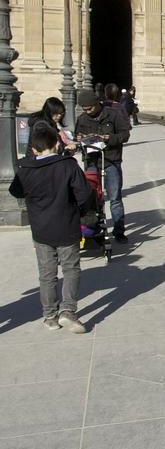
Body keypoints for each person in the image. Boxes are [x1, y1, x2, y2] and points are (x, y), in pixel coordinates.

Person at [8, 121, 93, 333]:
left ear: (34, 149)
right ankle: (68, 311)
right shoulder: (68, 165)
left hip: (41, 229)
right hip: (66, 225)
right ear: (56, 144)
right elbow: (84, 195)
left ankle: (50, 316)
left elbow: (15, 191)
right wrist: (80, 212)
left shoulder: (26, 168)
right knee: (71, 268)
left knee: (47, 273)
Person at [75, 87, 130, 242]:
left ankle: (119, 231)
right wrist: (80, 138)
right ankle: (94, 228)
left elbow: (125, 135)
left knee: (115, 197)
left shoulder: (113, 115)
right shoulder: (82, 119)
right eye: (84, 109)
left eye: (90, 108)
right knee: (92, 197)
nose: (87, 111)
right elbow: (77, 137)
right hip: (92, 161)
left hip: (111, 159)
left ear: (97, 103)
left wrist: (107, 138)